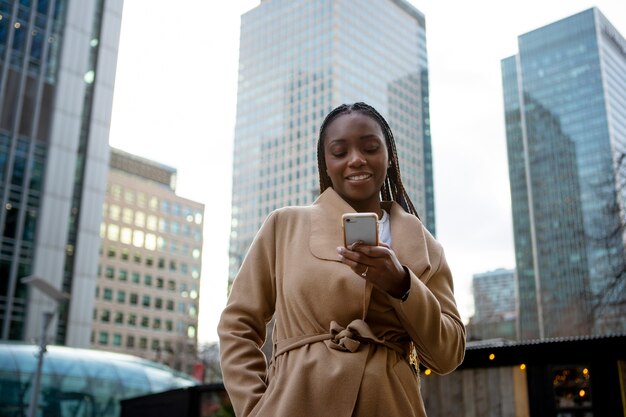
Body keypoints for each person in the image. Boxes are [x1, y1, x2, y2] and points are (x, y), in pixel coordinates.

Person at [218, 102, 466, 417]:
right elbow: (237, 323)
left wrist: (403, 285)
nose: (356, 160)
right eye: (339, 152)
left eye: (370, 148)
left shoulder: (425, 247)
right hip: (295, 405)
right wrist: (254, 406)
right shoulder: (285, 226)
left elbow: (449, 354)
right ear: (325, 163)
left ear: (388, 156)